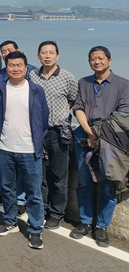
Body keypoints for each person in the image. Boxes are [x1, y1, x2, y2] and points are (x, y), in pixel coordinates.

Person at [69, 46, 129, 248]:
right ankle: (85, 222)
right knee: (84, 182)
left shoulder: (123, 85)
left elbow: (123, 115)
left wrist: (99, 134)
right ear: (89, 62)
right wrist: (89, 132)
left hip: (110, 140)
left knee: (108, 183)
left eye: (101, 58)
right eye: (93, 58)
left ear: (109, 60)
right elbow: (78, 107)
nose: (97, 61)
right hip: (84, 136)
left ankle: (101, 226)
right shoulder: (83, 82)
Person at [0, 52, 49, 249]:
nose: (15, 68)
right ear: (6, 68)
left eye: (19, 65)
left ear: (26, 67)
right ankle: (10, 221)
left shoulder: (36, 90)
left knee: (33, 192)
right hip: (5, 147)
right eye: (11, 65)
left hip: (30, 149)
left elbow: (44, 119)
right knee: (7, 188)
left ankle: (35, 229)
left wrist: (37, 140)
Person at [28, 41, 78, 230]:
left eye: (51, 53)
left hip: (58, 132)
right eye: (44, 52)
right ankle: (41, 209)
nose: (47, 56)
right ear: (38, 56)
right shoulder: (32, 75)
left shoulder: (67, 77)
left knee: (58, 175)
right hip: (37, 131)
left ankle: (56, 213)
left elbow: (73, 99)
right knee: (39, 174)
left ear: (57, 56)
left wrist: (60, 114)